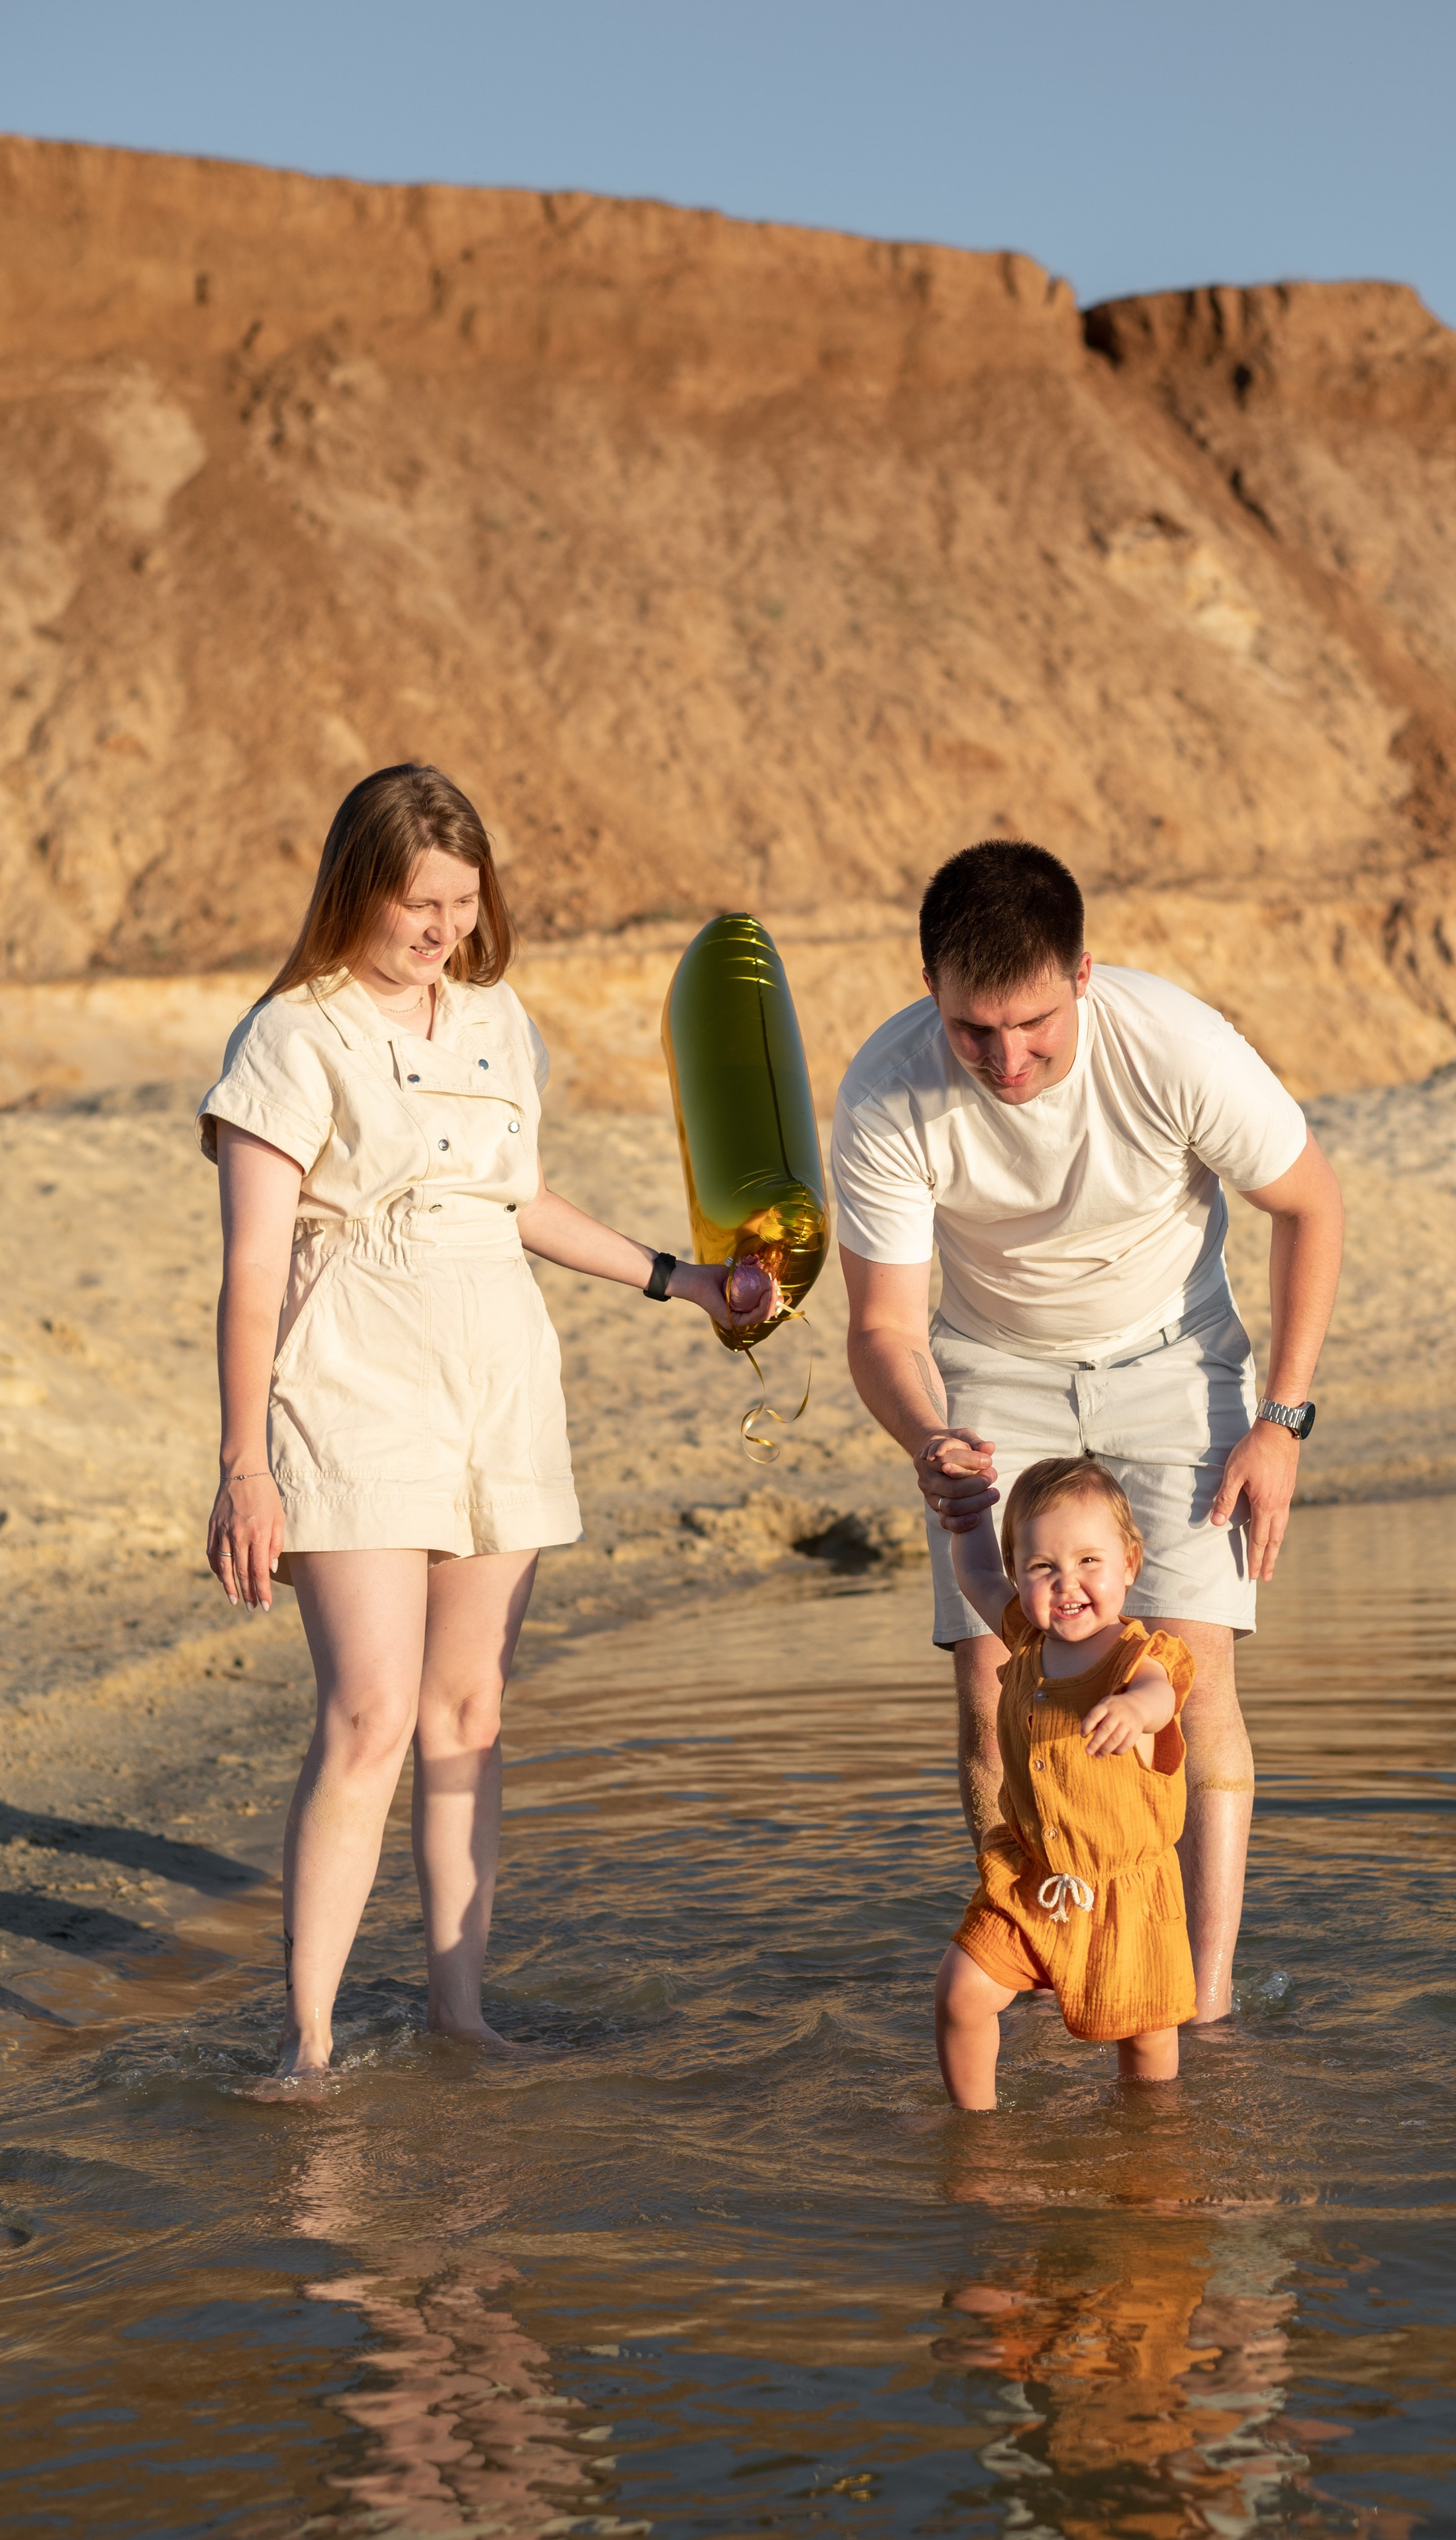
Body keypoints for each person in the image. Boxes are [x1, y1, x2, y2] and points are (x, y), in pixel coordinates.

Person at [199, 763, 773, 2078]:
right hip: (349, 1380)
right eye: (417, 903)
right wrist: (244, 1466)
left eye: (461, 902)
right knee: (369, 1714)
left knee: (469, 1711)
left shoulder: (499, 1020)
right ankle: (308, 2043)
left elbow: (515, 1200)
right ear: (356, 888)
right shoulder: (291, 1036)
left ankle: (461, 2019)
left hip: (499, 1378)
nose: (441, 928)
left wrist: (681, 1283)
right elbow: (247, 1274)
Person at [832, 840, 1343, 2023]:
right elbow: (883, 1328)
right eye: (974, 1031)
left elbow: (1308, 1202)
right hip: (991, 1370)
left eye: (1033, 1027)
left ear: (1082, 978)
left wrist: (1283, 1421)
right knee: (992, 1680)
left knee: (1192, 1672)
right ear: (932, 996)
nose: (1006, 1059)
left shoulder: (1174, 1044)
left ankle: (1196, 2001)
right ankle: (1048, 1957)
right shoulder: (887, 1090)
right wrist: (928, 1438)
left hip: (1177, 1356)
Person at [935, 1455, 1196, 2106]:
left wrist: (1135, 1710)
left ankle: (1151, 2139)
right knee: (961, 1993)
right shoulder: (1025, 1637)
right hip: (1032, 1882)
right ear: (1019, 1574)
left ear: (1129, 1564)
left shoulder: (1141, 1658)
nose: (1066, 1583)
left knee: (1144, 2038)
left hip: (1125, 1897)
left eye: (1088, 1562)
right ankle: (976, 2132)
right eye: (1043, 1567)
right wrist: (966, 1511)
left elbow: (1160, 1694)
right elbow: (972, 1571)